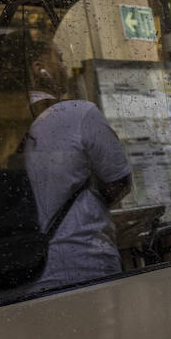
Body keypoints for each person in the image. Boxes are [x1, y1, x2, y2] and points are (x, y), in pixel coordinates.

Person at [18, 38, 132, 295]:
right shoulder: (78, 113)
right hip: (85, 263)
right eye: (58, 58)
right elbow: (119, 180)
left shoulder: (6, 125)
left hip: (25, 274)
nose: (64, 66)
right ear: (39, 68)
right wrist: (90, 206)